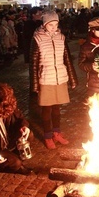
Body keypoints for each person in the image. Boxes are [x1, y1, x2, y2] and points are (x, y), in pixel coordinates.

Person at [30, 10, 78, 150]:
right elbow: (33, 63)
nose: (54, 27)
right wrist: (34, 84)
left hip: (60, 77)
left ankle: (57, 133)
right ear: (45, 24)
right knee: (46, 109)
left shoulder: (61, 38)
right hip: (46, 77)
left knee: (57, 108)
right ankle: (47, 135)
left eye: (56, 24)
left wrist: (72, 79)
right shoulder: (37, 38)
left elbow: (67, 59)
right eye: (51, 24)